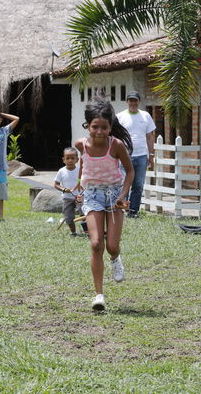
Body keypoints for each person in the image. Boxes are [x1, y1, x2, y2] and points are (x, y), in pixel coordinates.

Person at [74, 98, 134, 311]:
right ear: (87, 126)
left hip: (114, 195)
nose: (99, 132)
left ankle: (116, 257)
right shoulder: (81, 144)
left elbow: (130, 171)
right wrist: (80, 185)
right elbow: (84, 163)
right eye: (95, 127)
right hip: (92, 196)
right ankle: (99, 295)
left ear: (110, 127)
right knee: (96, 243)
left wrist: (123, 195)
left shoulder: (116, 145)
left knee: (111, 246)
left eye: (104, 127)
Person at [116, 90, 156, 217]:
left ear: (139, 102)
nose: (133, 103)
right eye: (131, 100)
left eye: (135, 100)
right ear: (127, 101)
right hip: (125, 156)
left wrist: (151, 155)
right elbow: (116, 137)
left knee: (138, 185)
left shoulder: (145, 116)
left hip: (141, 156)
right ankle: (123, 208)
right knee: (124, 184)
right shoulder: (120, 117)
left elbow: (149, 136)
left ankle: (134, 211)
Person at [54, 147, 86, 236]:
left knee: (84, 213)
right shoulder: (61, 171)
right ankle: (74, 232)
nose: (70, 160)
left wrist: (83, 187)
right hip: (67, 198)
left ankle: (87, 230)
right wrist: (64, 189)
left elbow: (84, 182)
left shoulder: (80, 170)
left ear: (77, 159)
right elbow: (56, 184)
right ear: (63, 160)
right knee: (68, 217)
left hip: (79, 197)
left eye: (72, 158)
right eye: (67, 158)